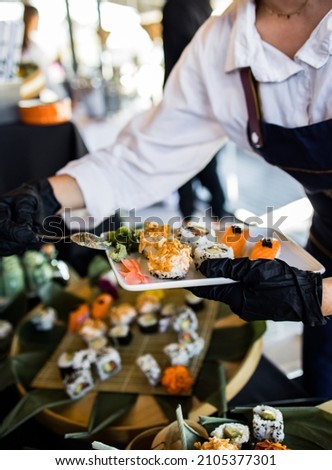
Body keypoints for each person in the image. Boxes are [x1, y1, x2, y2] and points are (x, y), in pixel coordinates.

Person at [1, 0, 332, 398]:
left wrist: (324, 297)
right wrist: (45, 196)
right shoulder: (222, 42)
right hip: (323, 247)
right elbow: (142, 159)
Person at [162, 0, 227, 219]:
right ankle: (205, 218)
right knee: (197, 168)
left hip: (190, 98)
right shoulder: (191, 6)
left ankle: (198, 220)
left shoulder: (179, 6)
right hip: (194, 97)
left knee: (191, 168)